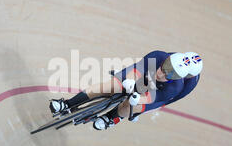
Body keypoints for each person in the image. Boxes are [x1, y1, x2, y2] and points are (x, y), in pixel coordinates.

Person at [49, 50, 203, 130]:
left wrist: (138, 102)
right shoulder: (160, 56)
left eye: (169, 73)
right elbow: (138, 69)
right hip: (145, 72)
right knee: (111, 85)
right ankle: (68, 104)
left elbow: (153, 99)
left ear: (179, 77)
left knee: (132, 106)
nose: (161, 73)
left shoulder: (178, 87)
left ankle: (112, 117)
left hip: (161, 92)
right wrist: (129, 80)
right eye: (165, 67)